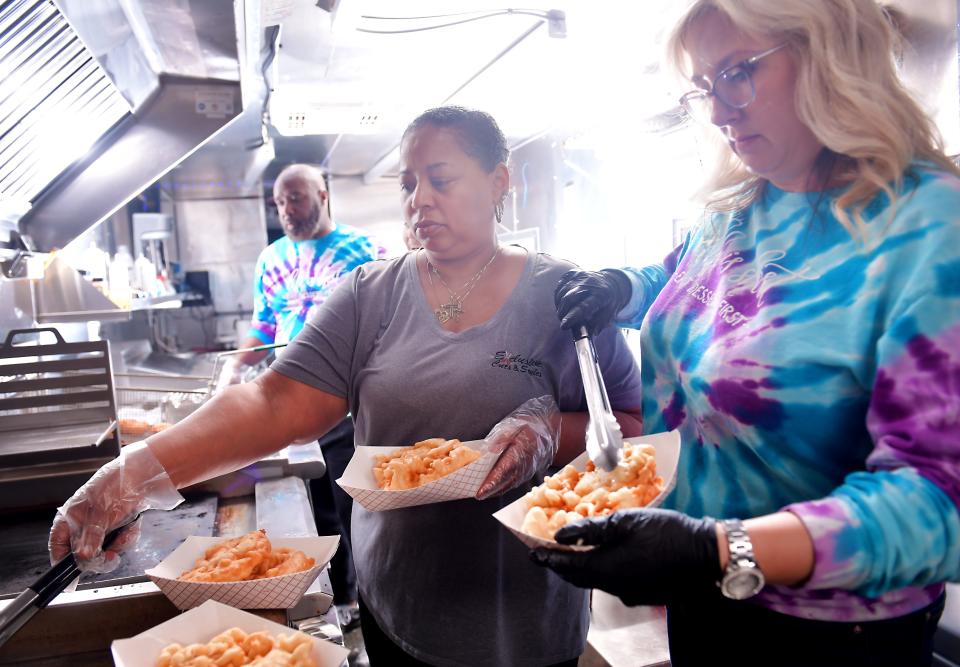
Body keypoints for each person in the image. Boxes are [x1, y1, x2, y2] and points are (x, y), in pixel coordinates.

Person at [49, 106, 644, 667]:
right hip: (401, 604)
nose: (420, 201)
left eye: (441, 179)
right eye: (409, 184)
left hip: (524, 616)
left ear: (497, 182)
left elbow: (633, 425)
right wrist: (132, 475)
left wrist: (549, 432)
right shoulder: (369, 294)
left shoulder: (564, 295)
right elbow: (274, 403)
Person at [535, 2, 960, 666]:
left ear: (831, 56)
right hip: (706, 589)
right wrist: (623, 286)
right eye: (704, 86)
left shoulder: (928, 227)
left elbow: (941, 502)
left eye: (737, 73)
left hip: (826, 632)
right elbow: (689, 279)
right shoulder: (743, 201)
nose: (717, 111)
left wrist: (722, 545)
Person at [217, 162, 386, 629]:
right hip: (291, 402)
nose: (287, 210)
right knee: (312, 508)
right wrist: (234, 367)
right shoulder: (270, 259)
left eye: (296, 198)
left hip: (347, 404)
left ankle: (367, 602)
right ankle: (331, 600)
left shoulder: (364, 250)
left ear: (323, 194)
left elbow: (386, 326)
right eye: (279, 203)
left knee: (354, 505)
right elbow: (264, 327)